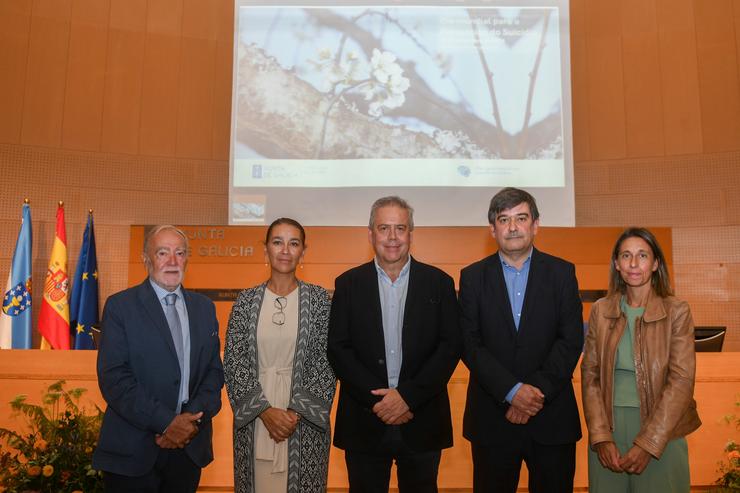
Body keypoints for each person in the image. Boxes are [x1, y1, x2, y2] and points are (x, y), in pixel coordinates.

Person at [328, 196, 461, 493]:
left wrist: (407, 397)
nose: (392, 237)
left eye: (400, 228)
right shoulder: (348, 284)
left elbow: (450, 347)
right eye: (383, 228)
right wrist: (381, 402)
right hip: (364, 420)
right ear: (370, 233)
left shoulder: (439, 283)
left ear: (411, 234)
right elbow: (338, 349)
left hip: (422, 419)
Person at [458, 187, 584, 493]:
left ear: (536, 224)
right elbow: (468, 343)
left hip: (551, 419)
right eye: (504, 219)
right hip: (492, 419)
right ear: (493, 229)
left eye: (521, 218)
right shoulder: (472, 277)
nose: (513, 227)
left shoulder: (562, 273)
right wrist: (511, 392)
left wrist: (533, 394)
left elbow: (570, 340)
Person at [94, 225, 224, 492]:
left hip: (187, 450)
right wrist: (167, 423)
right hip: (133, 451)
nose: (173, 261)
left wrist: (188, 423)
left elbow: (213, 373)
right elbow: (115, 378)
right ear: (146, 258)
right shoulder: (120, 306)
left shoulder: (204, 308)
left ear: (187, 258)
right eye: (163, 252)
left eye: (180, 253)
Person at [581, 227, 701, 492]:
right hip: (608, 433)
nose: (634, 264)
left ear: (656, 263)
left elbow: (681, 381)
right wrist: (600, 436)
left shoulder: (677, 311)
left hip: (662, 432)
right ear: (616, 263)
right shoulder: (601, 311)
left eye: (642, 255)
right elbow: (589, 376)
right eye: (626, 255)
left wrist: (648, 443)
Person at [224, 218, 335, 493]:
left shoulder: (320, 300)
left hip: (302, 423)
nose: (285, 250)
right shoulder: (245, 301)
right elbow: (234, 361)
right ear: (266, 250)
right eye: (277, 242)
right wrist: (264, 411)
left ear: (303, 252)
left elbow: (327, 361)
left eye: (293, 243)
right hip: (256, 420)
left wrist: (293, 414)